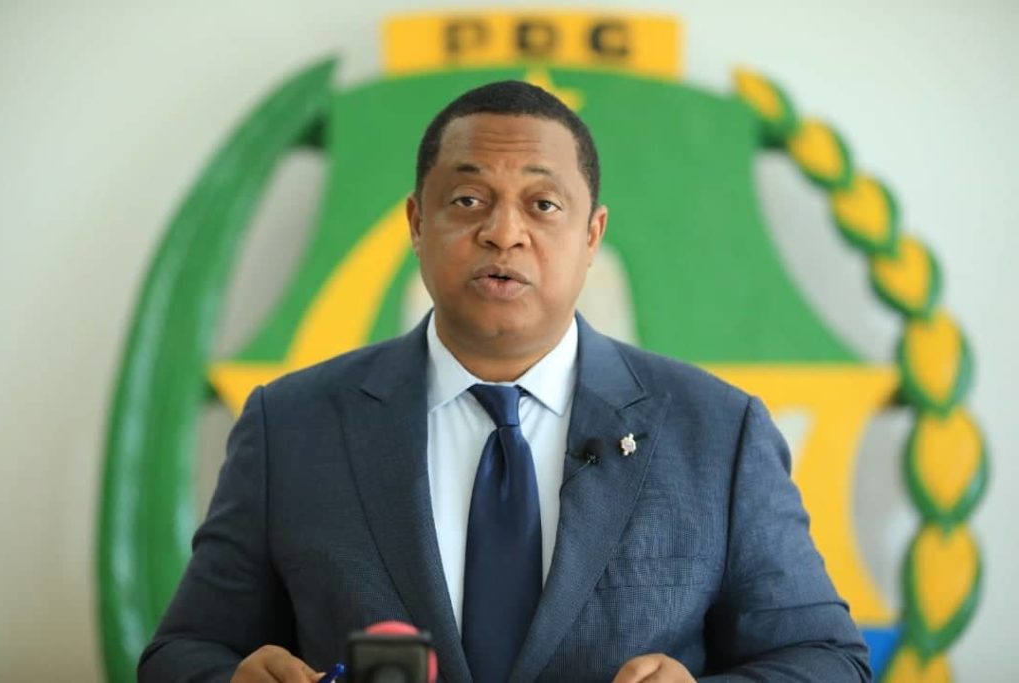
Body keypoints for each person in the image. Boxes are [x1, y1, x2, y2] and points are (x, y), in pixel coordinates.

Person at [139, 80, 871, 683]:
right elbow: (182, 653)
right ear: (416, 223)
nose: (503, 232)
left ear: (592, 235)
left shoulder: (717, 431)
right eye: (468, 200)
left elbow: (827, 659)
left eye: (543, 205)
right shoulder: (292, 425)